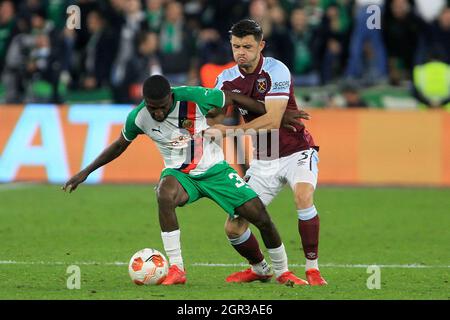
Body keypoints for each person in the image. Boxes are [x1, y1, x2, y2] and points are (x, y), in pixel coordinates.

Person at [62, 75, 308, 286]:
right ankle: (177, 269)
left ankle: (280, 271)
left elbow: (231, 97)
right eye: (152, 108)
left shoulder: (192, 96)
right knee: (163, 194)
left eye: (161, 107)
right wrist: (86, 172)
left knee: (260, 217)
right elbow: (119, 145)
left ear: (171, 97)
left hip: (215, 171)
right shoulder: (138, 117)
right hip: (180, 174)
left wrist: (277, 114)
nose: (157, 113)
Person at [209, 19, 327, 286]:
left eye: (247, 46)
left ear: (261, 45)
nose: (241, 52)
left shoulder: (276, 70)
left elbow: (273, 120)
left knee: (303, 196)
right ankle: (260, 268)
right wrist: (208, 118)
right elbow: (212, 116)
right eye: (236, 46)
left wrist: (229, 131)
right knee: (234, 227)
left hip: (296, 150)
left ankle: (313, 269)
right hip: (263, 160)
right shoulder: (226, 79)